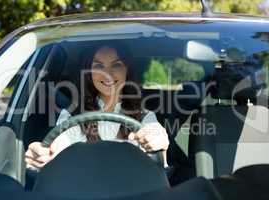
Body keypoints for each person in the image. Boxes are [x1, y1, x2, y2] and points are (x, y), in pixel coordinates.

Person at [25, 42, 170, 170]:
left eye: (117, 65)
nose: (107, 73)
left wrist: (160, 143)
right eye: (98, 66)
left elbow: (156, 149)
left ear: (128, 70)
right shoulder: (72, 115)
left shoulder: (144, 116)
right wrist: (42, 156)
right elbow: (58, 147)